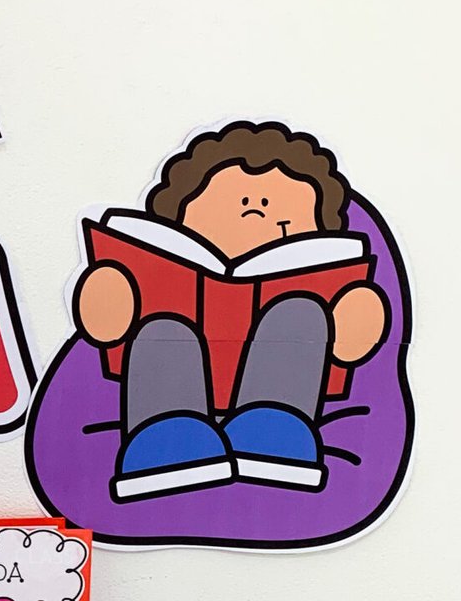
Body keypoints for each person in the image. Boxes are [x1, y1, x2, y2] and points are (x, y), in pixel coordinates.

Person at [75, 121, 389, 496]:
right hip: (173, 388)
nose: (255, 210)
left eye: (281, 217)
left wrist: (356, 317)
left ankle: (272, 432)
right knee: (163, 329)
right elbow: (105, 330)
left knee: (300, 314)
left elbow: (349, 348)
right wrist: (108, 296)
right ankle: (166, 438)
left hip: (278, 404)